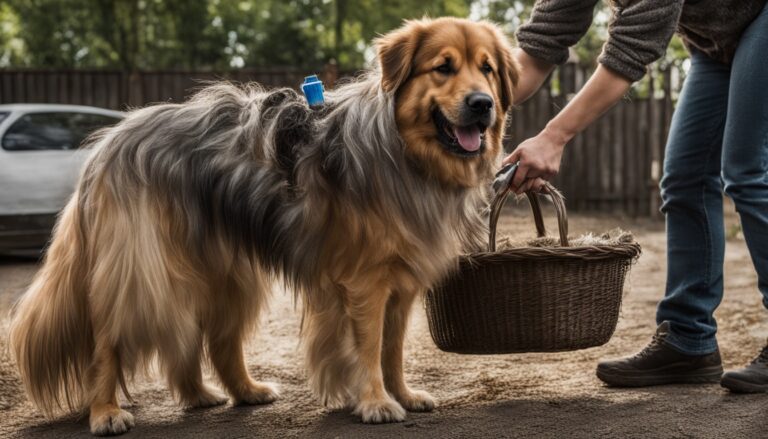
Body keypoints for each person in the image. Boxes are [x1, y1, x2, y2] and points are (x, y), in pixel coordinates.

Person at [506, 0, 768, 392]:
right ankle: (688, 339)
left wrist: (553, 136)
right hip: (715, 42)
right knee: (684, 181)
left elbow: (627, 53)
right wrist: (470, 106)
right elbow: (539, 46)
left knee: (745, 171)